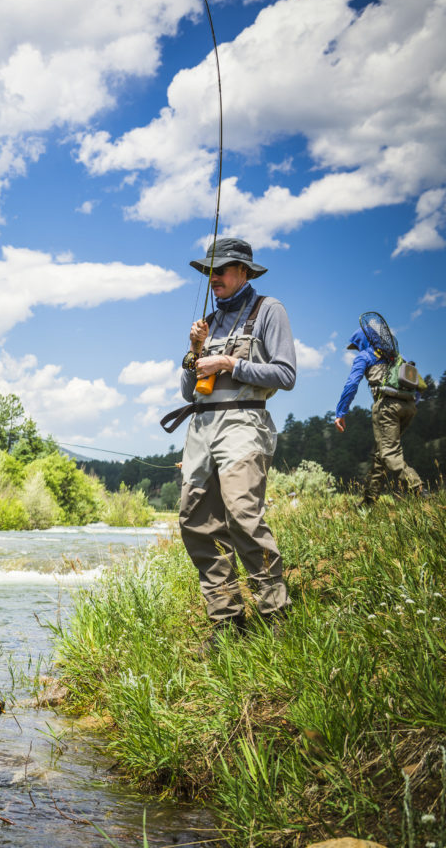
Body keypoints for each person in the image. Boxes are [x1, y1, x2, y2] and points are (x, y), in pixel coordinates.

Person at [162, 237, 296, 653]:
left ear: (243, 272)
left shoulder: (269, 310)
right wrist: (195, 351)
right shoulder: (207, 322)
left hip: (244, 421)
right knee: (195, 521)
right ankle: (227, 623)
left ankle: (276, 615)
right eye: (209, 272)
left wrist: (228, 363)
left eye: (220, 270)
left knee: (242, 514)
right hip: (201, 428)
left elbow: (286, 374)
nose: (212, 278)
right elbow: (188, 391)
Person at [334, 327, 425, 502]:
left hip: (386, 408)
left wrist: (341, 412)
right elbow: (418, 385)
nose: (357, 349)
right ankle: (369, 500)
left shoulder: (365, 356)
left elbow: (352, 384)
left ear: (363, 341)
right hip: (409, 407)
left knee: (389, 454)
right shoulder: (398, 357)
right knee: (379, 454)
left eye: (357, 345)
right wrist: (409, 404)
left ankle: (418, 488)